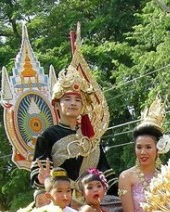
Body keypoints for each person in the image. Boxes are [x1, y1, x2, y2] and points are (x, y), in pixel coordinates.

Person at [30, 64, 118, 196]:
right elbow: (40, 172)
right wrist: (41, 179)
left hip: (91, 196)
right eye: (67, 99)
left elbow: (104, 170)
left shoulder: (90, 135)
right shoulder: (48, 135)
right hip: (62, 197)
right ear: (57, 105)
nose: (73, 103)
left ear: (82, 106)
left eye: (78, 100)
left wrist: (120, 190)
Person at [118, 98, 170, 212]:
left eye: (148, 147)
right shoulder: (126, 176)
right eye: (139, 147)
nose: (143, 152)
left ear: (158, 149)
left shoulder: (165, 176)